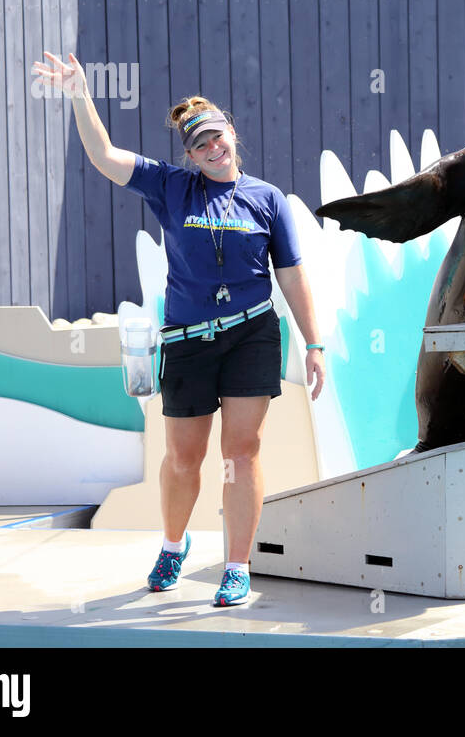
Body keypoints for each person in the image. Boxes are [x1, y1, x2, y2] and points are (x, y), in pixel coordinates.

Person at [33, 51, 327, 606]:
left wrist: (314, 345)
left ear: (231, 134)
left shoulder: (267, 200)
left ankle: (237, 566)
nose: (213, 149)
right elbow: (103, 156)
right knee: (182, 459)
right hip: (188, 340)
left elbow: (291, 274)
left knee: (241, 454)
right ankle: (173, 544)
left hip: (251, 334)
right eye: (200, 145)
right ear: (189, 155)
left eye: (217, 137)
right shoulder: (172, 187)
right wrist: (78, 92)